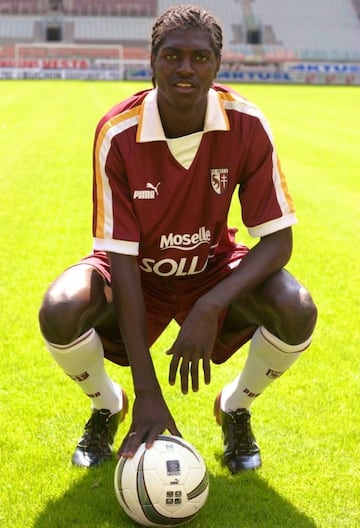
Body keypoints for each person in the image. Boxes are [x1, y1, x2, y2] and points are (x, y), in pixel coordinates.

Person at [38, 4, 317, 474]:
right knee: (60, 309)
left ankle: (235, 408)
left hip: (211, 270)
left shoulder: (246, 124)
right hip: (136, 275)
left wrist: (211, 305)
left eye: (200, 57)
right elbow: (120, 262)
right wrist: (147, 393)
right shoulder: (118, 132)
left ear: (217, 65)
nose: (185, 68)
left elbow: (278, 242)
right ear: (152, 61)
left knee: (297, 308)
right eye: (171, 56)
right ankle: (109, 407)